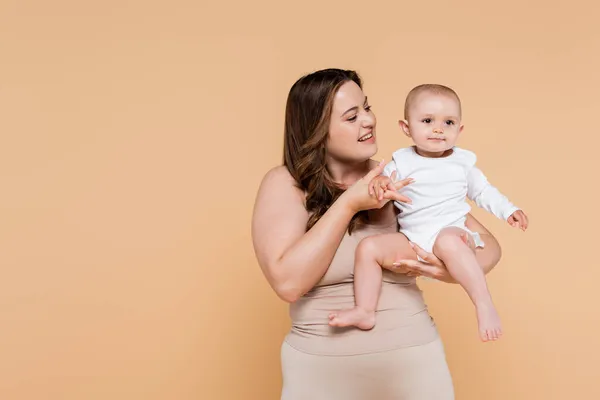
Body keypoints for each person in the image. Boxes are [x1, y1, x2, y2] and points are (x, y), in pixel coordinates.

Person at [251, 68, 502, 400]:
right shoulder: (285, 184)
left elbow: (489, 250)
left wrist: (447, 269)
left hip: (415, 360)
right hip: (319, 369)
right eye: (352, 116)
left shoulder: (397, 175)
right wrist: (350, 203)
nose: (368, 121)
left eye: (366, 108)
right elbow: (288, 283)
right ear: (317, 130)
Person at [328, 84, 528, 341]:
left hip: (455, 233)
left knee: (447, 240)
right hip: (414, 240)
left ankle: (483, 303)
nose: (438, 129)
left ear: (460, 129)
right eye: (427, 121)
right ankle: (365, 310)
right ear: (406, 128)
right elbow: (381, 183)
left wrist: (509, 210)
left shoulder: (462, 163)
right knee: (368, 248)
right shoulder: (401, 162)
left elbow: (484, 192)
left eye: (448, 122)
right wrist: (379, 185)